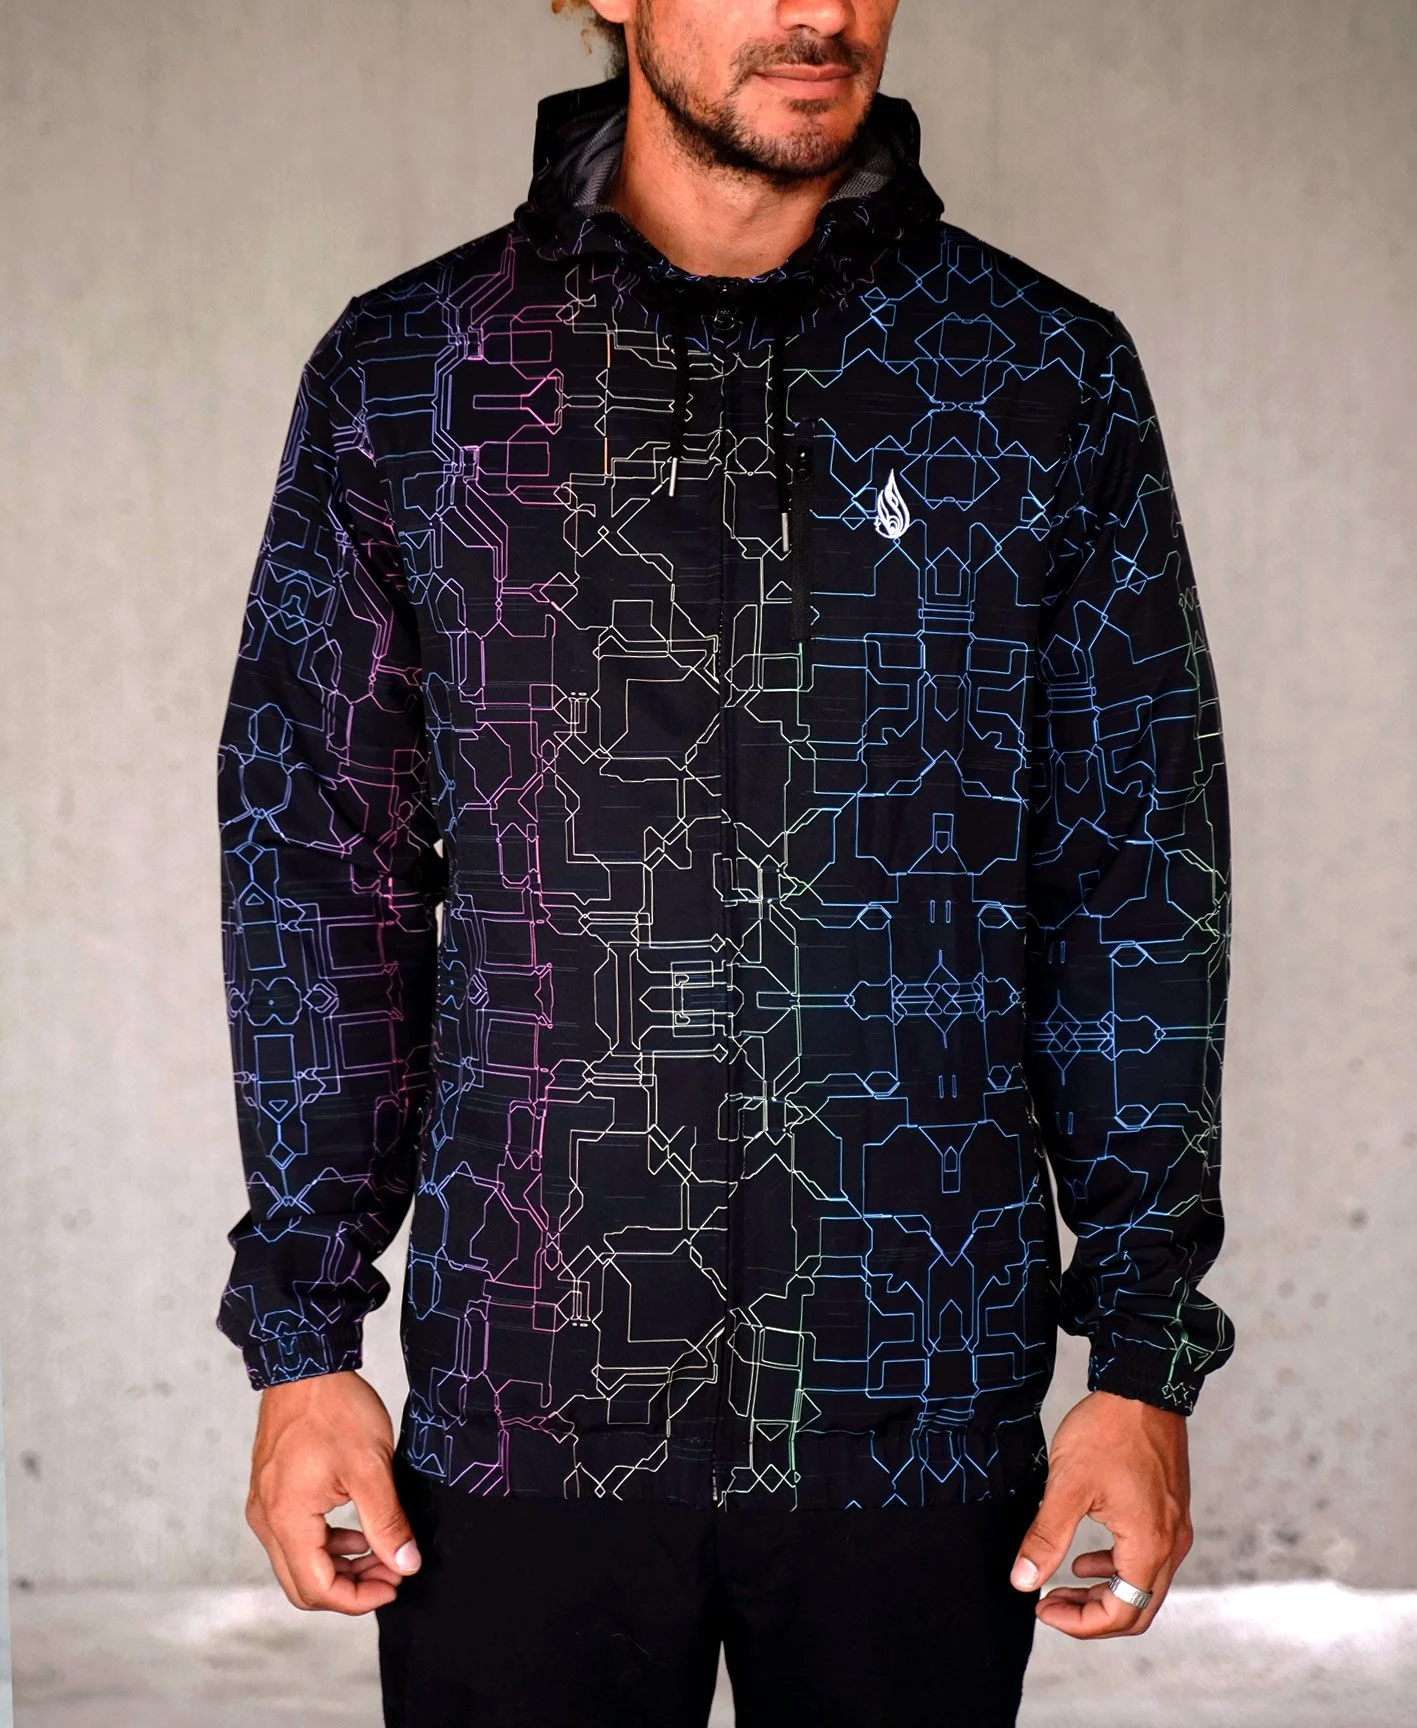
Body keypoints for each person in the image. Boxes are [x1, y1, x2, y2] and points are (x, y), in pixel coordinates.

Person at [214, 1, 1237, 1722]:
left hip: (921, 1406)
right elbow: (322, 868)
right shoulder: (417, 375)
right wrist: (303, 1342)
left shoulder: (1038, 376)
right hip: (529, 1396)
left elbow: (1138, 874)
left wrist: (1142, 1363)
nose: (817, 10)